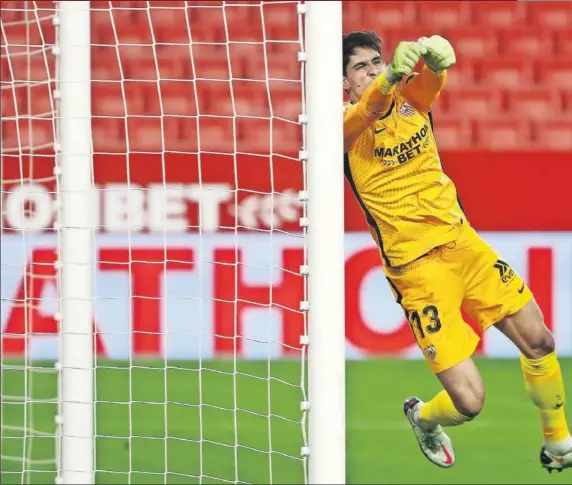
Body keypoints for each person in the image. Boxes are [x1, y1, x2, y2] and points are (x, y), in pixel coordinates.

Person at [342, 30, 571, 472]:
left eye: (377, 61)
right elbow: (368, 108)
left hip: (463, 245)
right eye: (361, 67)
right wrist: (387, 78)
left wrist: (438, 60)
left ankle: (558, 441)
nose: (372, 70)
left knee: (540, 341)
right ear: (344, 84)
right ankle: (423, 417)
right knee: (469, 401)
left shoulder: (412, 102)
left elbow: (432, 81)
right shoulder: (344, 128)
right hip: (418, 272)